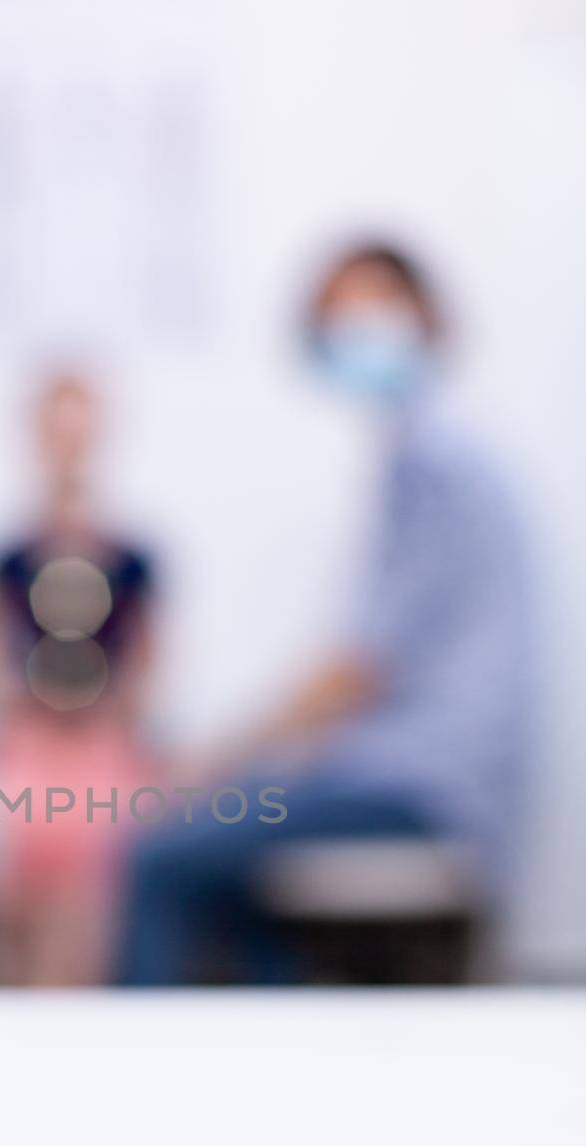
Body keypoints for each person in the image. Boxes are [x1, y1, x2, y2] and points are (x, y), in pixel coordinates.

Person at [117, 240, 533, 984]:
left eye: (373, 307)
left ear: (428, 316)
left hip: (422, 790)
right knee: (226, 875)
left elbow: (360, 668)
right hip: (399, 778)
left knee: (156, 854)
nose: (357, 330)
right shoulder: (422, 457)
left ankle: (120, 1086)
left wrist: (212, 762)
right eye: (337, 316)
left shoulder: (434, 463)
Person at [0, 369, 156, 986]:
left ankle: (68, 1019)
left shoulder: (134, 560)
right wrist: (31, 708)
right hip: (28, 740)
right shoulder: (7, 558)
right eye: (55, 428)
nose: (67, 443)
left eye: (79, 428)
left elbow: (148, 672)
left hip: (100, 743)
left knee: (89, 866)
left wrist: (97, 712)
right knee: (17, 869)